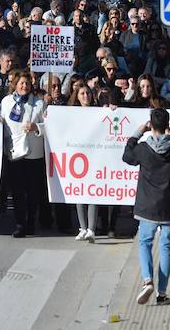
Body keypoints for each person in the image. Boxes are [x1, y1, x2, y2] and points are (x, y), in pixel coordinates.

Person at [123, 108, 170, 306]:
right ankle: (162, 293)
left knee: (145, 242)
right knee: (166, 246)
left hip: (147, 205)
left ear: (150, 125)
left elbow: (127, 156)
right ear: (167, 125)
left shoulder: (143, 148)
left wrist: (137, 133)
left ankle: (147, 280)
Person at [0, 72, 47, 238]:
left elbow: (49, 126)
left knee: (32, 191)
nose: (24, 86)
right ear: (15, 84)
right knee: (18, 191)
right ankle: (20, 223)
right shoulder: (6, 102)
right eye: (21, 83)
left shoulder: (39, 103)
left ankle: (31, 221)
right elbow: (2, 121)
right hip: (14, 152)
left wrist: (37, 127)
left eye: (27, 83)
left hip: (34, 153)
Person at [67, 85, 98, 243]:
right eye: (82, 93)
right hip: (77, 158)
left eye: (87, 93)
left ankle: (91, 229)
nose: (85, 96)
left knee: (93, 192)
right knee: (79, 192)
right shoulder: (72, 113)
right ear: (77, 96)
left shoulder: (99, 111)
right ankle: (83, 228)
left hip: (94, 157)